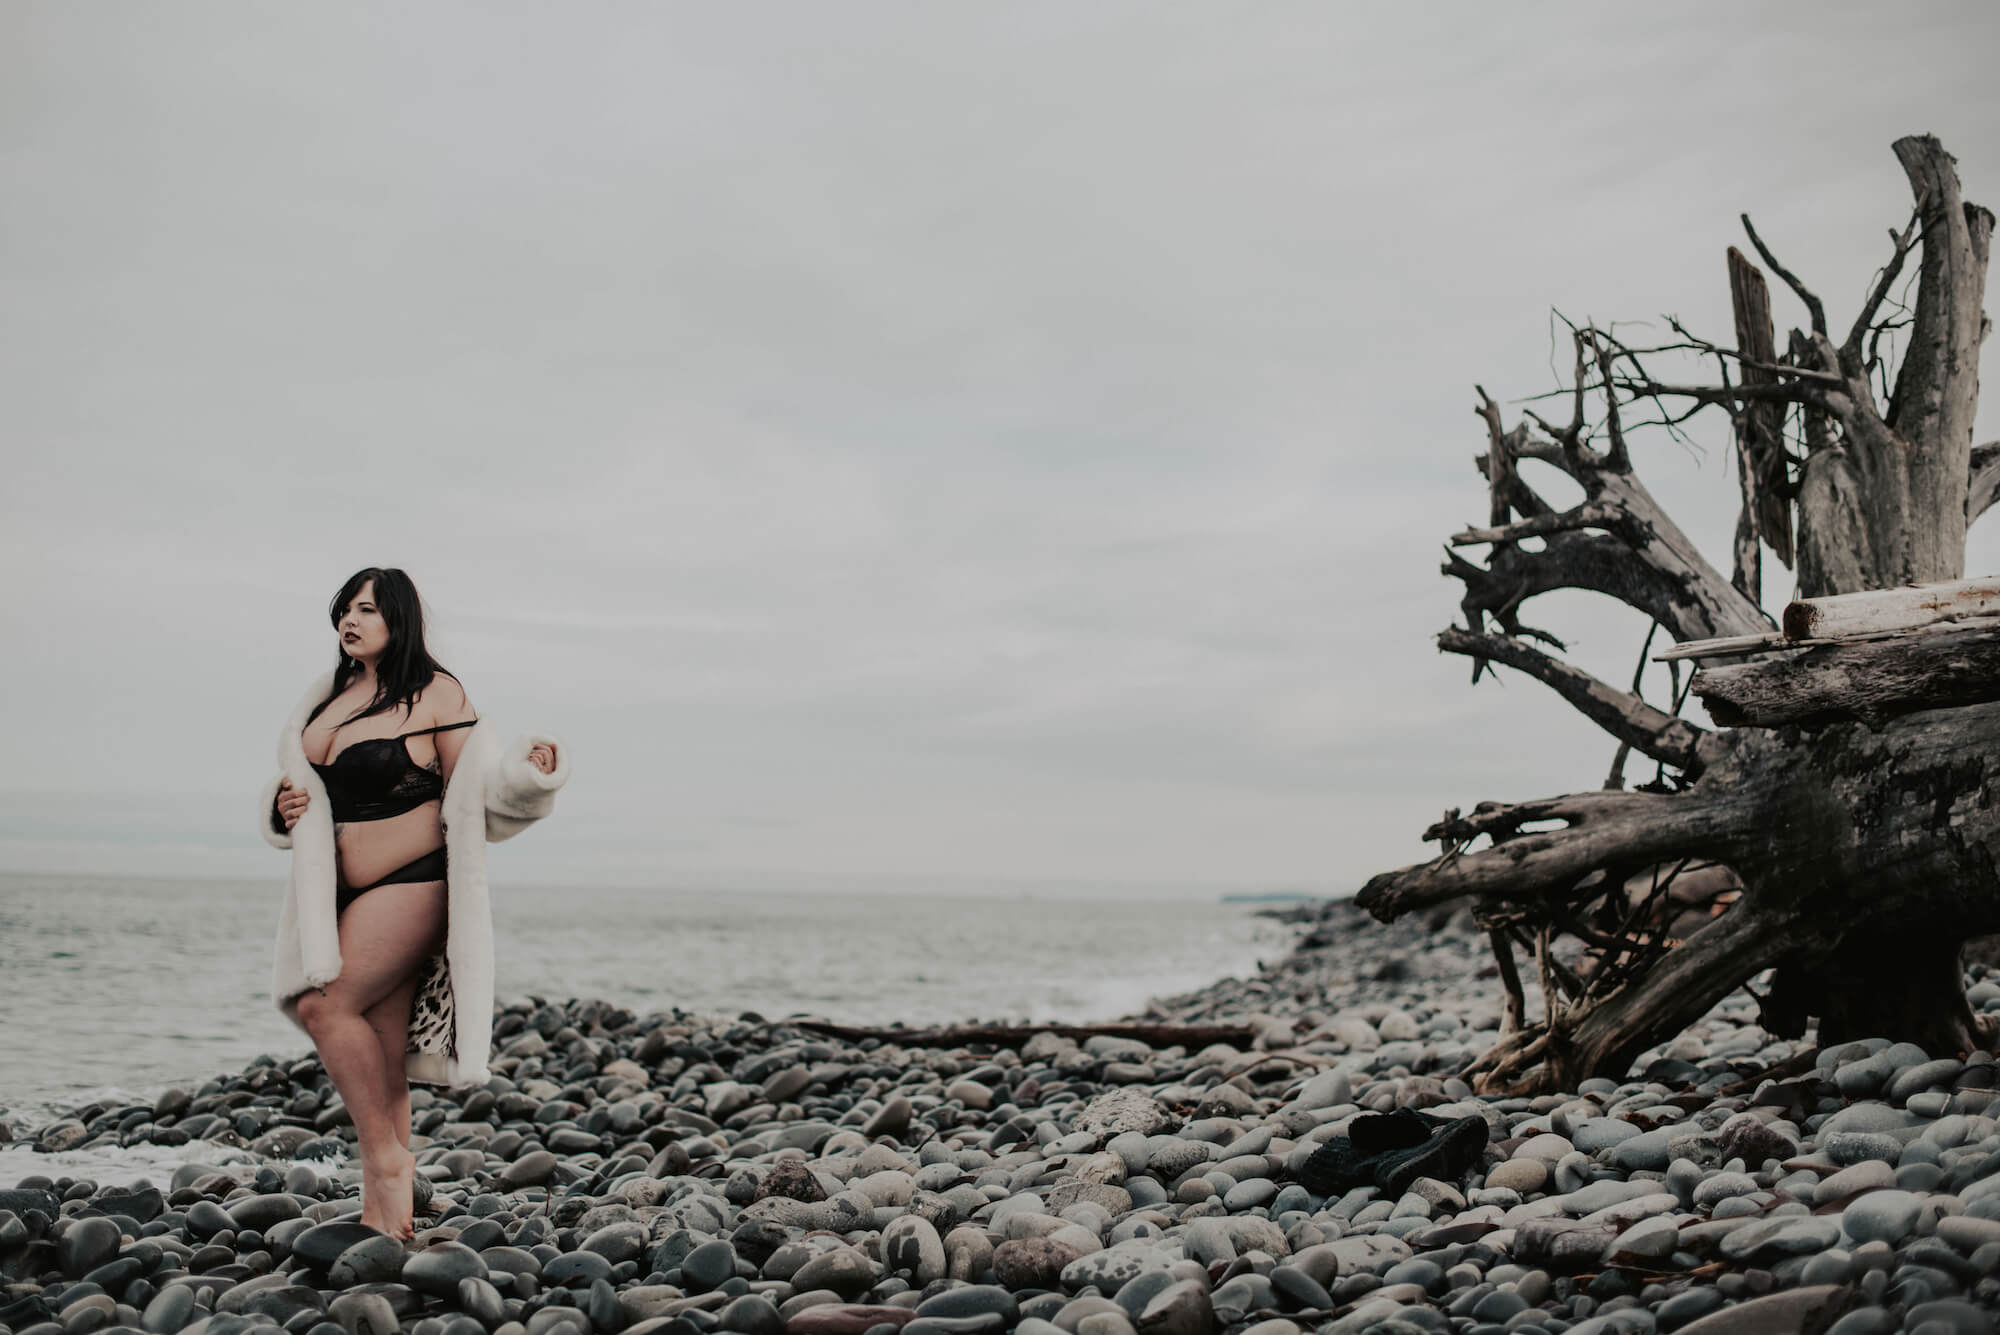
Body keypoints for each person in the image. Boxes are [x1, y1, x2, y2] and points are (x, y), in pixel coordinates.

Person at [260, 567, 570, 1238]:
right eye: (346, 606)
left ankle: (386, 1156)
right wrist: (281, 810)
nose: (352, 617)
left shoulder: (436, 691)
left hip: (417, 879)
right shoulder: (328, 698)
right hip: (342, 889)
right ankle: (387, 1221)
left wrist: (530, 774)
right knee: (381, 1039)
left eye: (369, 608)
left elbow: (480, 787)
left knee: (323, 1001)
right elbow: (300, 790)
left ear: (399, 619)